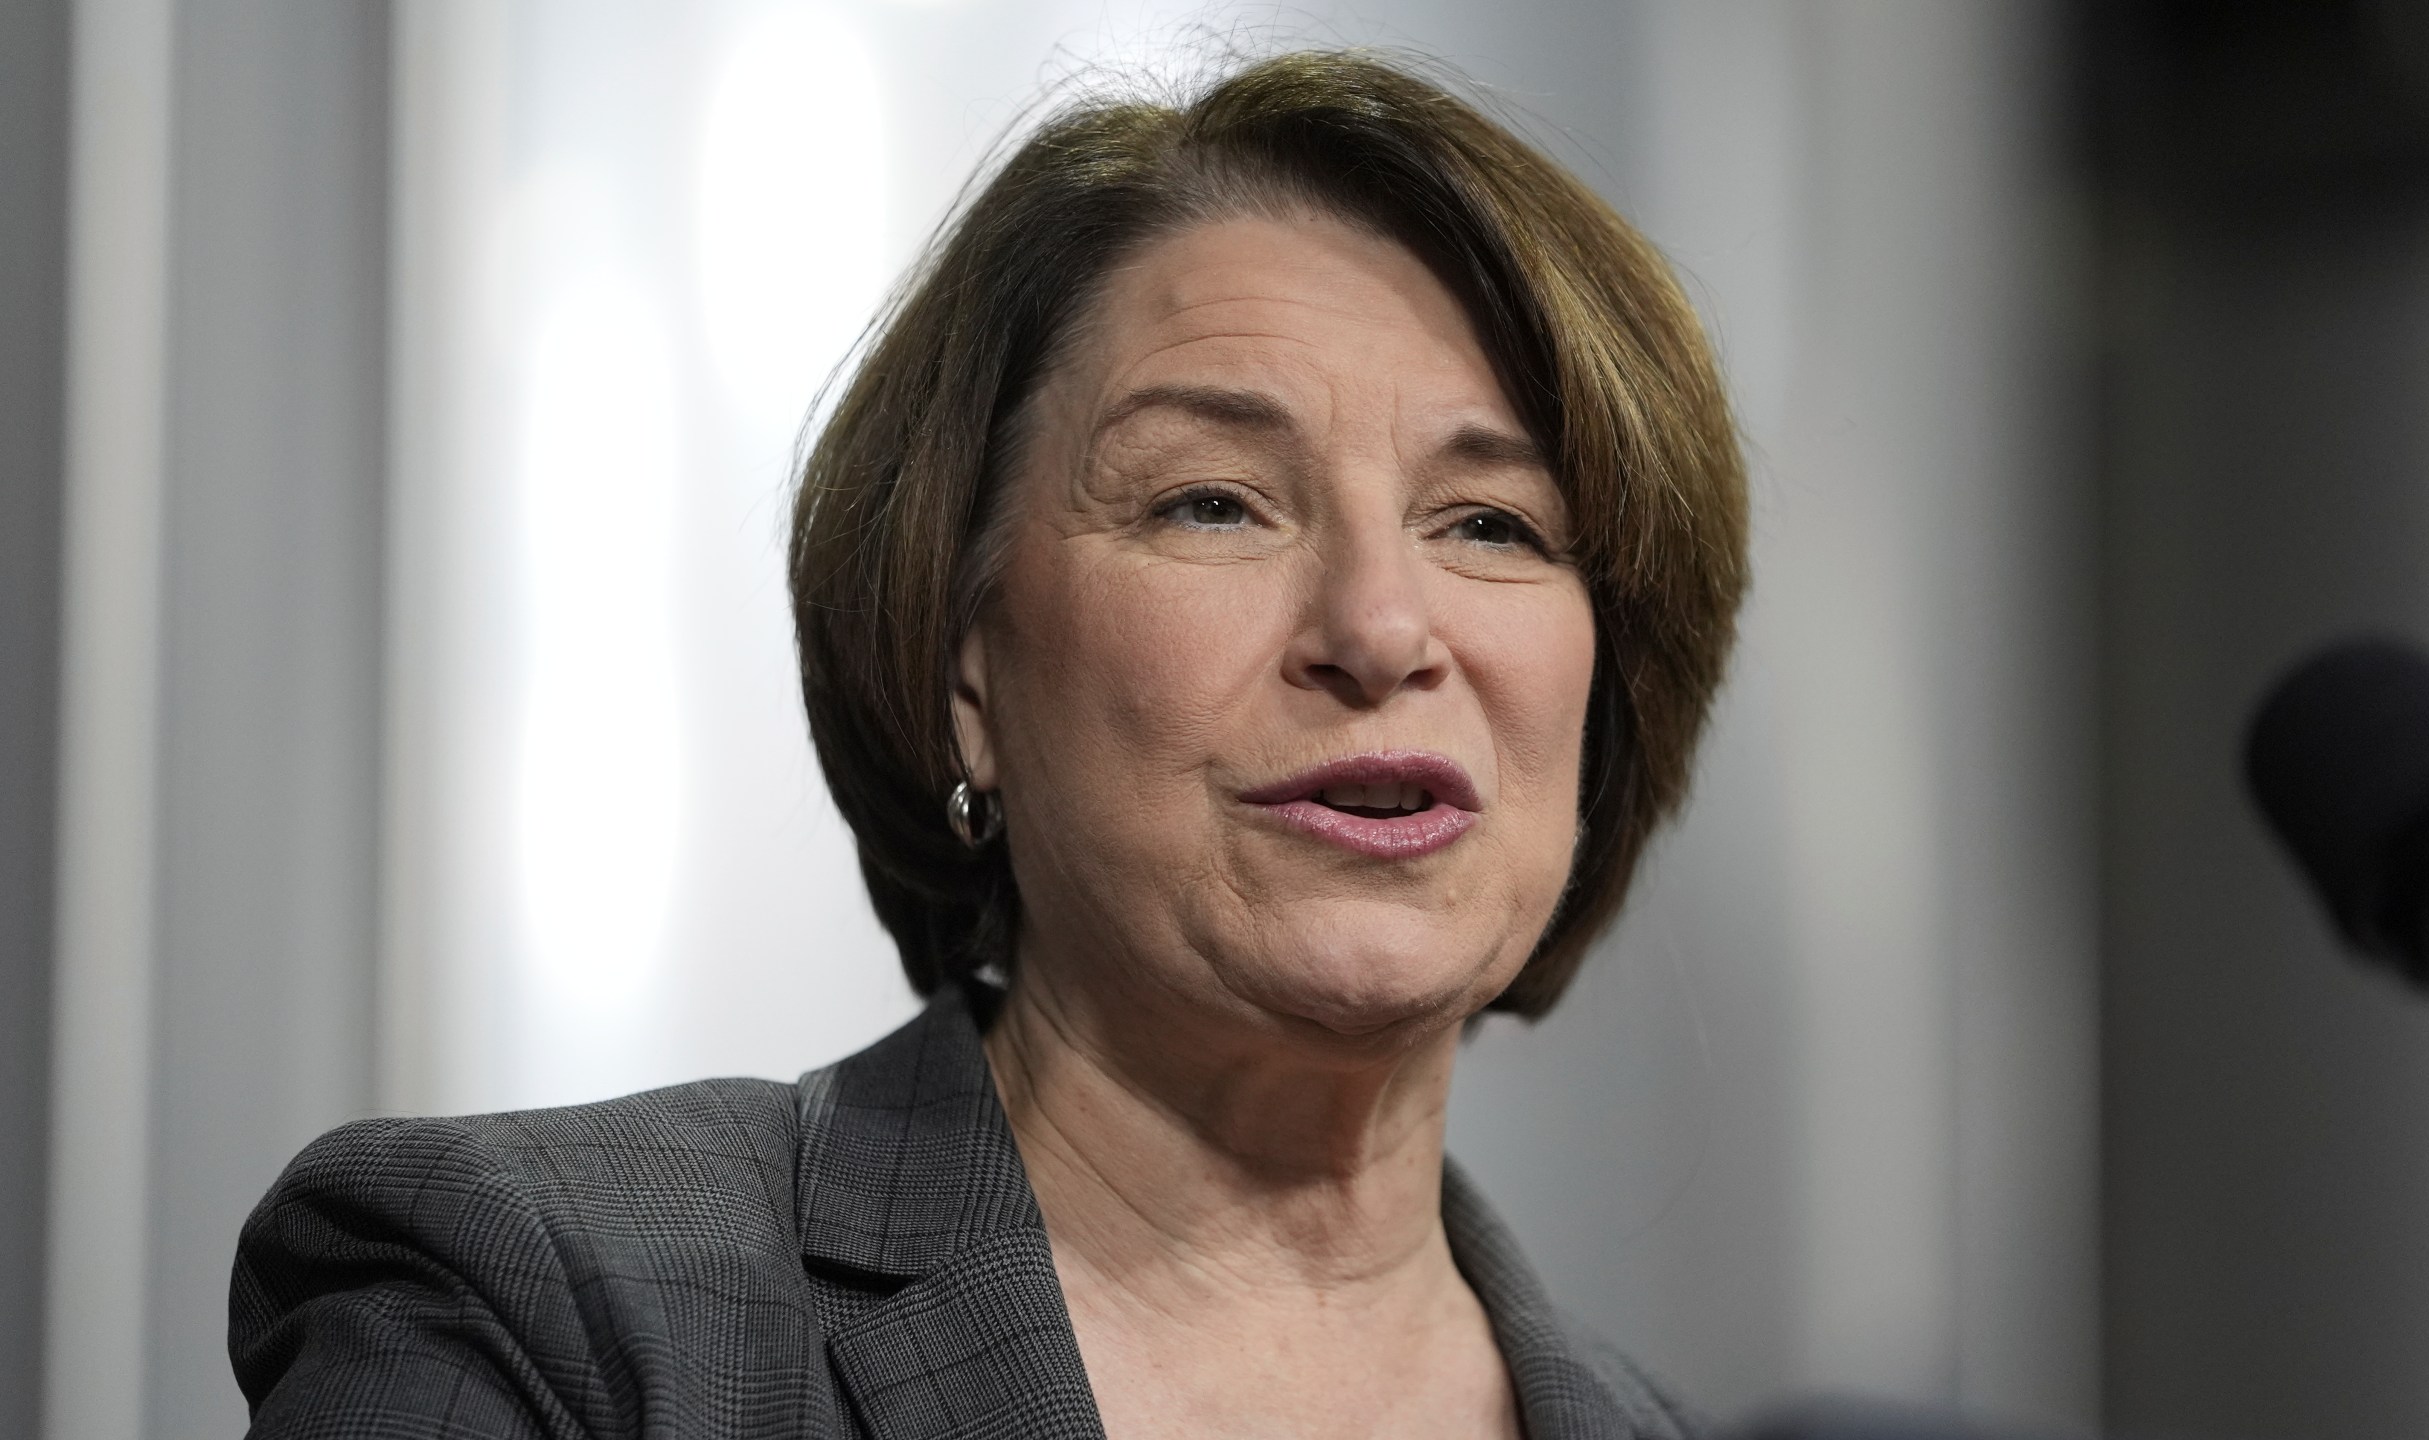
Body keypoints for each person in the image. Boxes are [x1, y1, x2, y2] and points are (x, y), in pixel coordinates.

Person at [230, 50, 1747, 1439]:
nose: (1379, 626)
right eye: (1210, 501)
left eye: (1491, 523)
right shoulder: (556, 1308)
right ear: (968, 678)